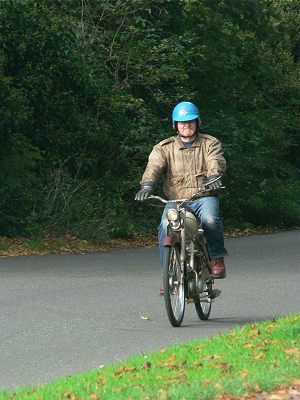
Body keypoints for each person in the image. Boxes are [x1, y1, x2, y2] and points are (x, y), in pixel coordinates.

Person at [135, 101, 228, 286]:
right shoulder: (164, 147)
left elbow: (215, 161)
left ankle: (216, 258)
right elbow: (154, 166)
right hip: (176, 200)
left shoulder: (210, 143)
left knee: (210, 220)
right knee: (164, 226)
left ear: (197, 122)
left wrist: (214, 176)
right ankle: (167, 273)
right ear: (175, 125)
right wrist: (146, 185)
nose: (187, 125)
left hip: (204, 196)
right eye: (182, 122)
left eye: (191, 121)